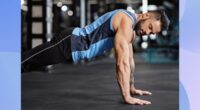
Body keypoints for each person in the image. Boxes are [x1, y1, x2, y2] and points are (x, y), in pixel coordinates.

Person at [22, 9, 170, 105]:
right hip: (69, 43)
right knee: (24, 62)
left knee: (29, 65)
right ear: (146, 15)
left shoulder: (130, 31)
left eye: (152, 33)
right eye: (150, 27)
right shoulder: (126, 21)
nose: (147, 32)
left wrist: (131, 87)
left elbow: (130, 62)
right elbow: (121, 63)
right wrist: (126, 97)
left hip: (72, 51)